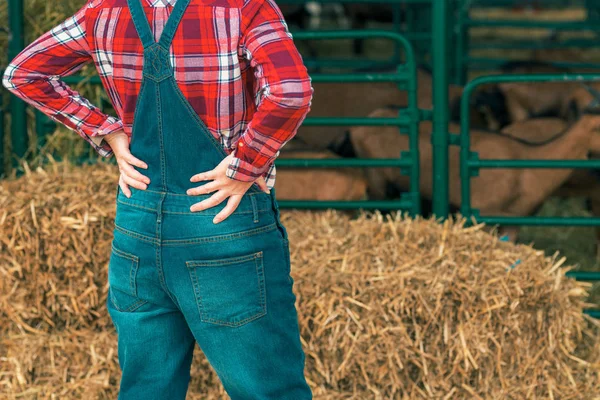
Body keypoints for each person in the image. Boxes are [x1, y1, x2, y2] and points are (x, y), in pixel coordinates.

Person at [2, 0, 314, 398]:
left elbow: (22, 73)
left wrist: (107, 132)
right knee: (267, 391)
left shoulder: (103, 10)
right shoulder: (243, 6)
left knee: (147, 389)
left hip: (137, 223)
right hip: (219, 221)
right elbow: (290, 92)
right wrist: (245, 166)